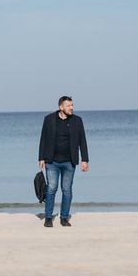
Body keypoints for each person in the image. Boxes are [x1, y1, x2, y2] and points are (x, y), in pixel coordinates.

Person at [38, 95, 90, 228]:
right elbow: (43, 139)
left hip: (69, 162)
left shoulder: (77, 121)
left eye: (72, 105)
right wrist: (41, 158)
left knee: (67, 189)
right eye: (68, 105)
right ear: (61, 107)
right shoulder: (49, 119)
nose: (71, 108)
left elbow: (82, 141)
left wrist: (85, 160)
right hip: (52, 161)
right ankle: (48, 217)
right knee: (51, 188)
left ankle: (64, 218)